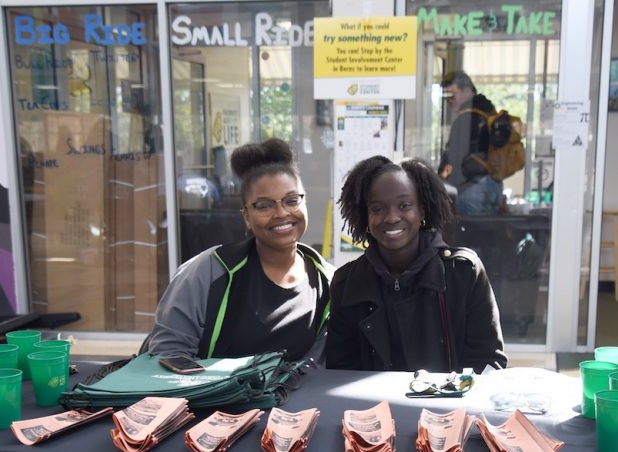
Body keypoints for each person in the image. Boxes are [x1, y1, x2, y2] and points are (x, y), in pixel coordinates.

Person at [147, 138, 332, 362]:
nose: (281, 212)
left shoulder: (328, 281)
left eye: (291, 200)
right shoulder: (208, 272)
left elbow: (319, 367)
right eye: (264, 205)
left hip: (297, 396)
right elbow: (167, 353)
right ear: (246, 217)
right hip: (215, 395)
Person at [325, 155, 507, 373]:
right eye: (378, 209)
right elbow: (340, 371)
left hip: (451, 405)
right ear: (365, 216)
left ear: (421, 210)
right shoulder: (347, 283)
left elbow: (488, 363)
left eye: (404, 205)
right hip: (374, 406)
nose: (392, 217)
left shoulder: (464, 272)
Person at [438, 71, 504, 216]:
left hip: (472, 190)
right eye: (445, 97)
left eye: (452, 95)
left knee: (470, 236)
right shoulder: (488, 112)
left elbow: (454, 158)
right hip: (494, 185)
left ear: (467, 91)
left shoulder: (466, 119)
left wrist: (441, 176)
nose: (449, 100)